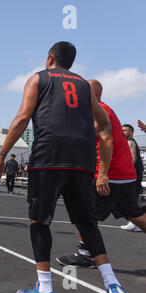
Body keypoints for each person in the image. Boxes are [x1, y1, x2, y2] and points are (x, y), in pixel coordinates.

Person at [0, 41, 126, 293]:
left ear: (50, 58)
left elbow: (21, 118)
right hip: (81, 160)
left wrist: (2, 156)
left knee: (39, 221)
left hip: (48, 157)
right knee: (87, 223)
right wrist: (103, 170)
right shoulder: (84, 86)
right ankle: (113, 286)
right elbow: (105, 126)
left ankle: (44, 289)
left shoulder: (38, 79)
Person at [56, 80, 146, 269]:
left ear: (92, 93)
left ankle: (86, 254)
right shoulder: (104, 109)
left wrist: (102, 175)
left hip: (110, 174)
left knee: (83, 213)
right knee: (134, 214)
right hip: (124, 174)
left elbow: (106, 140)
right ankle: (87, 252)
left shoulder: (96, 110)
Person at [120, 124, 144, 232]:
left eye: (125, 130)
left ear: (131, 132)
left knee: (132, 199)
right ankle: (133, 223)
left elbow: (132, 159)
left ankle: (136, 223)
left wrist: (125, 171)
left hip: (133, 174)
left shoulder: (130, 142)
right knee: (131, 199)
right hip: (133, 174)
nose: (122, 132)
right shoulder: (126, 142)